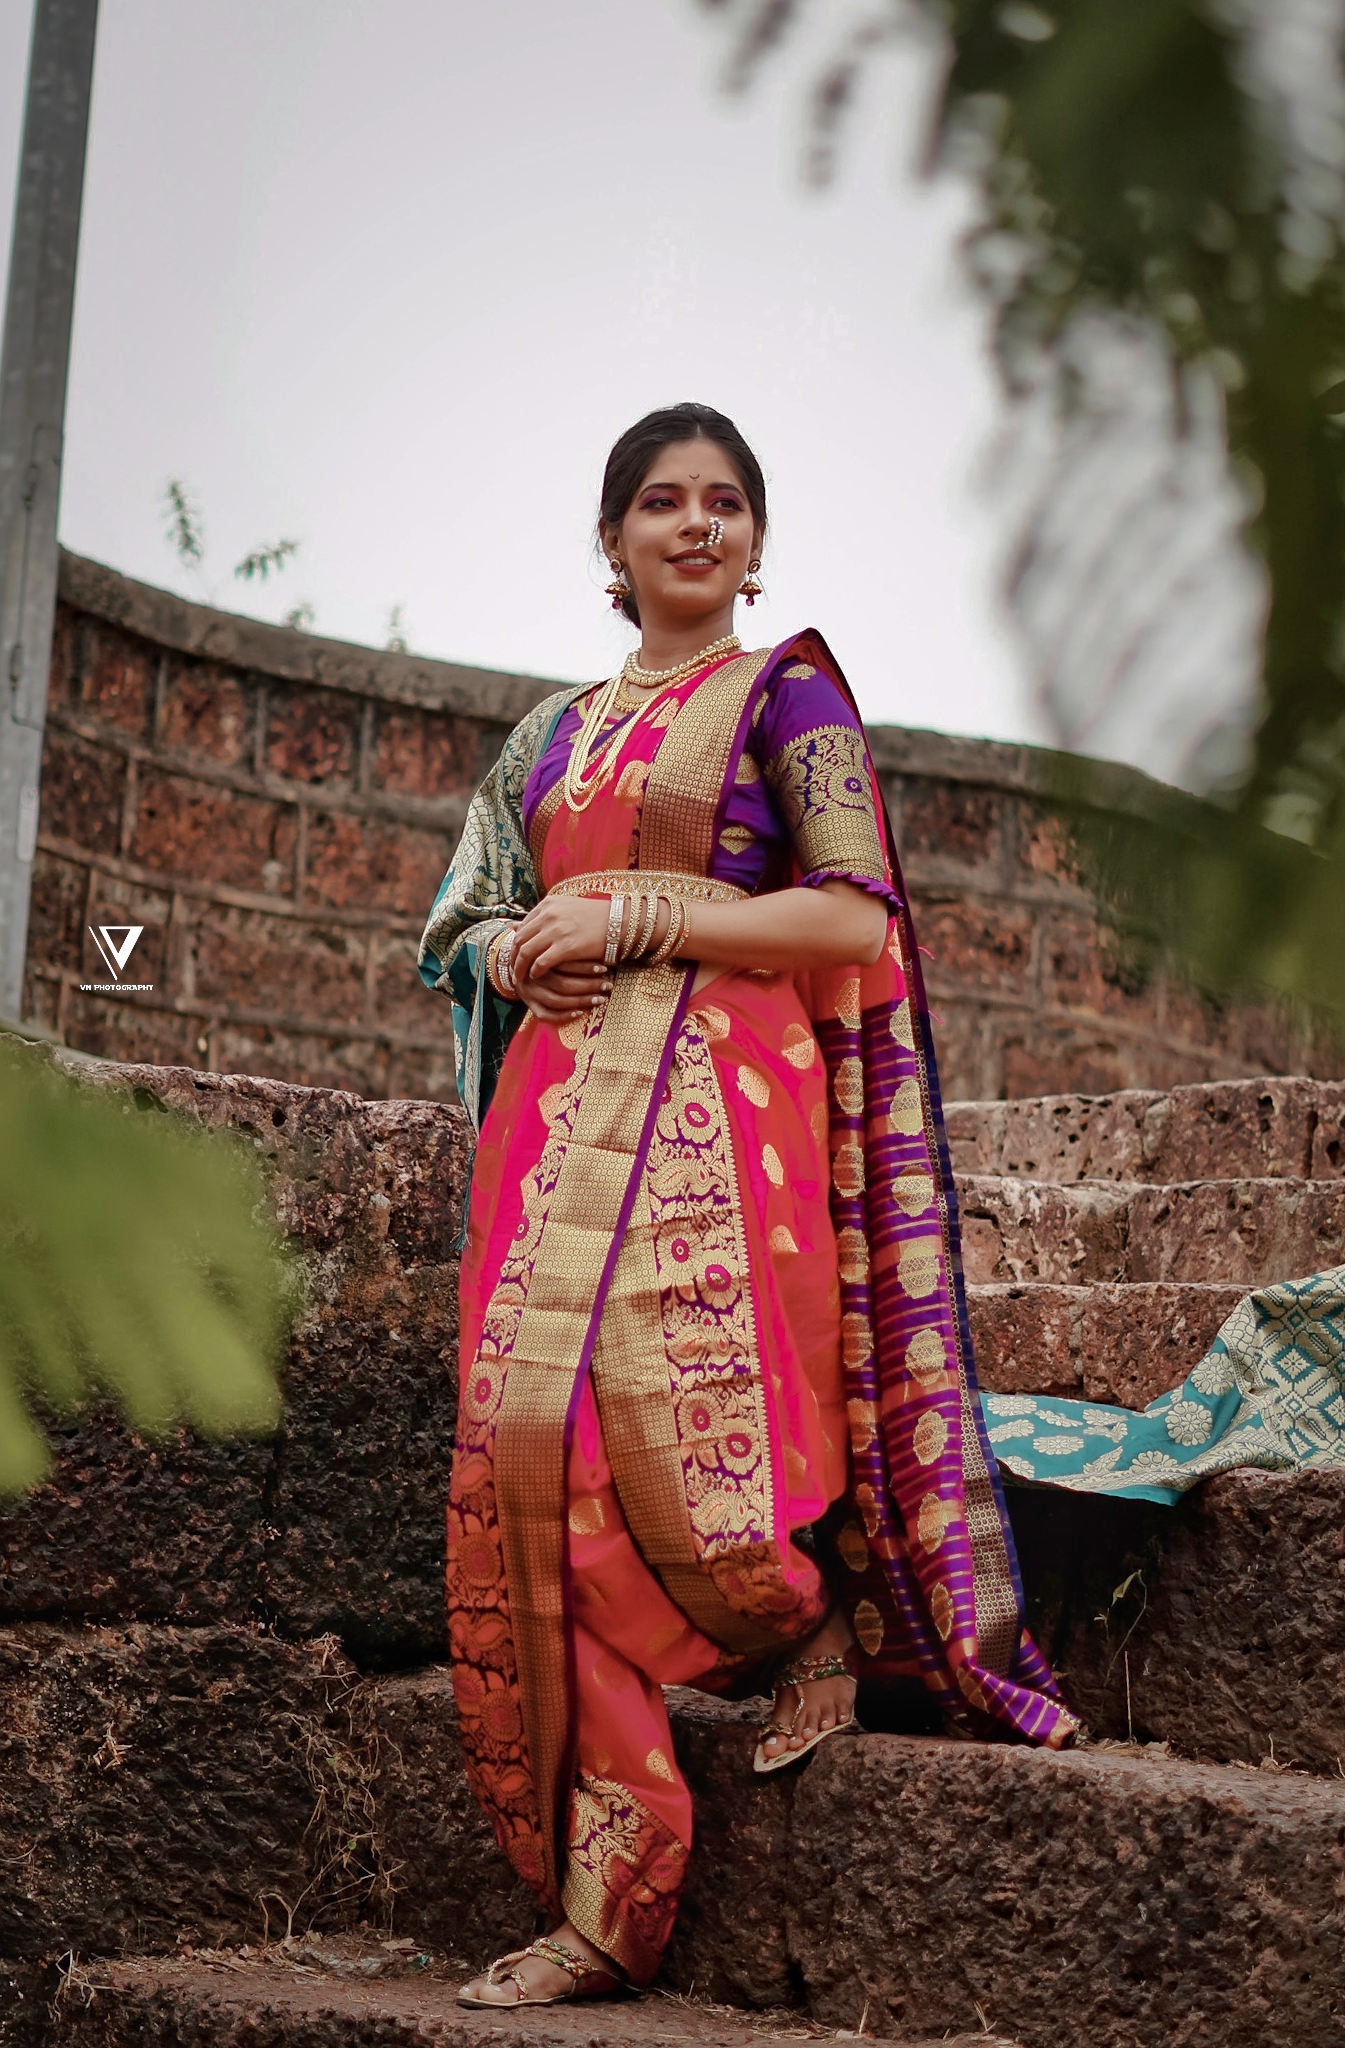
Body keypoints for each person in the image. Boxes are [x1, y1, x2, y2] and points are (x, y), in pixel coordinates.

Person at [417, 402, 1076, 2011]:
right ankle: (605, 1901)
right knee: (528, 1460)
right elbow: (459, 919)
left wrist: (646, 913)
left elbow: (850, 923)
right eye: (660, 502)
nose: (694, 525)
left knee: (698, 1464)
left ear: (756, 541)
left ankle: (801, 1622)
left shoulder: (790, 696)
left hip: (722, 1116)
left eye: (724, 502)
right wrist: (512, 950)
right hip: (553, 1118)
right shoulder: (545, 738)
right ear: (611, 541)